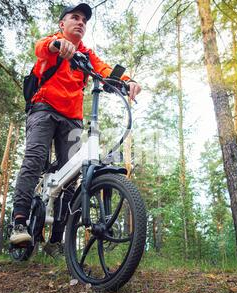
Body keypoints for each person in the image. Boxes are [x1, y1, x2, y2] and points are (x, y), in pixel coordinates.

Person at [10, 3, 142, 255]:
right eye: (75, 17)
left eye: (84, 20)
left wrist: (127, 82)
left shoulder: (86, 54)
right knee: (34, 159)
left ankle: (56, 240)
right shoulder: (55, 42)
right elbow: (41, 47)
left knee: (72, 176)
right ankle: (19, 222)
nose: (80, 22)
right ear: (63, 24)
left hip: (72, 119)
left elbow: (104, 70)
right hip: (44, 109)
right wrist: (57, 46)